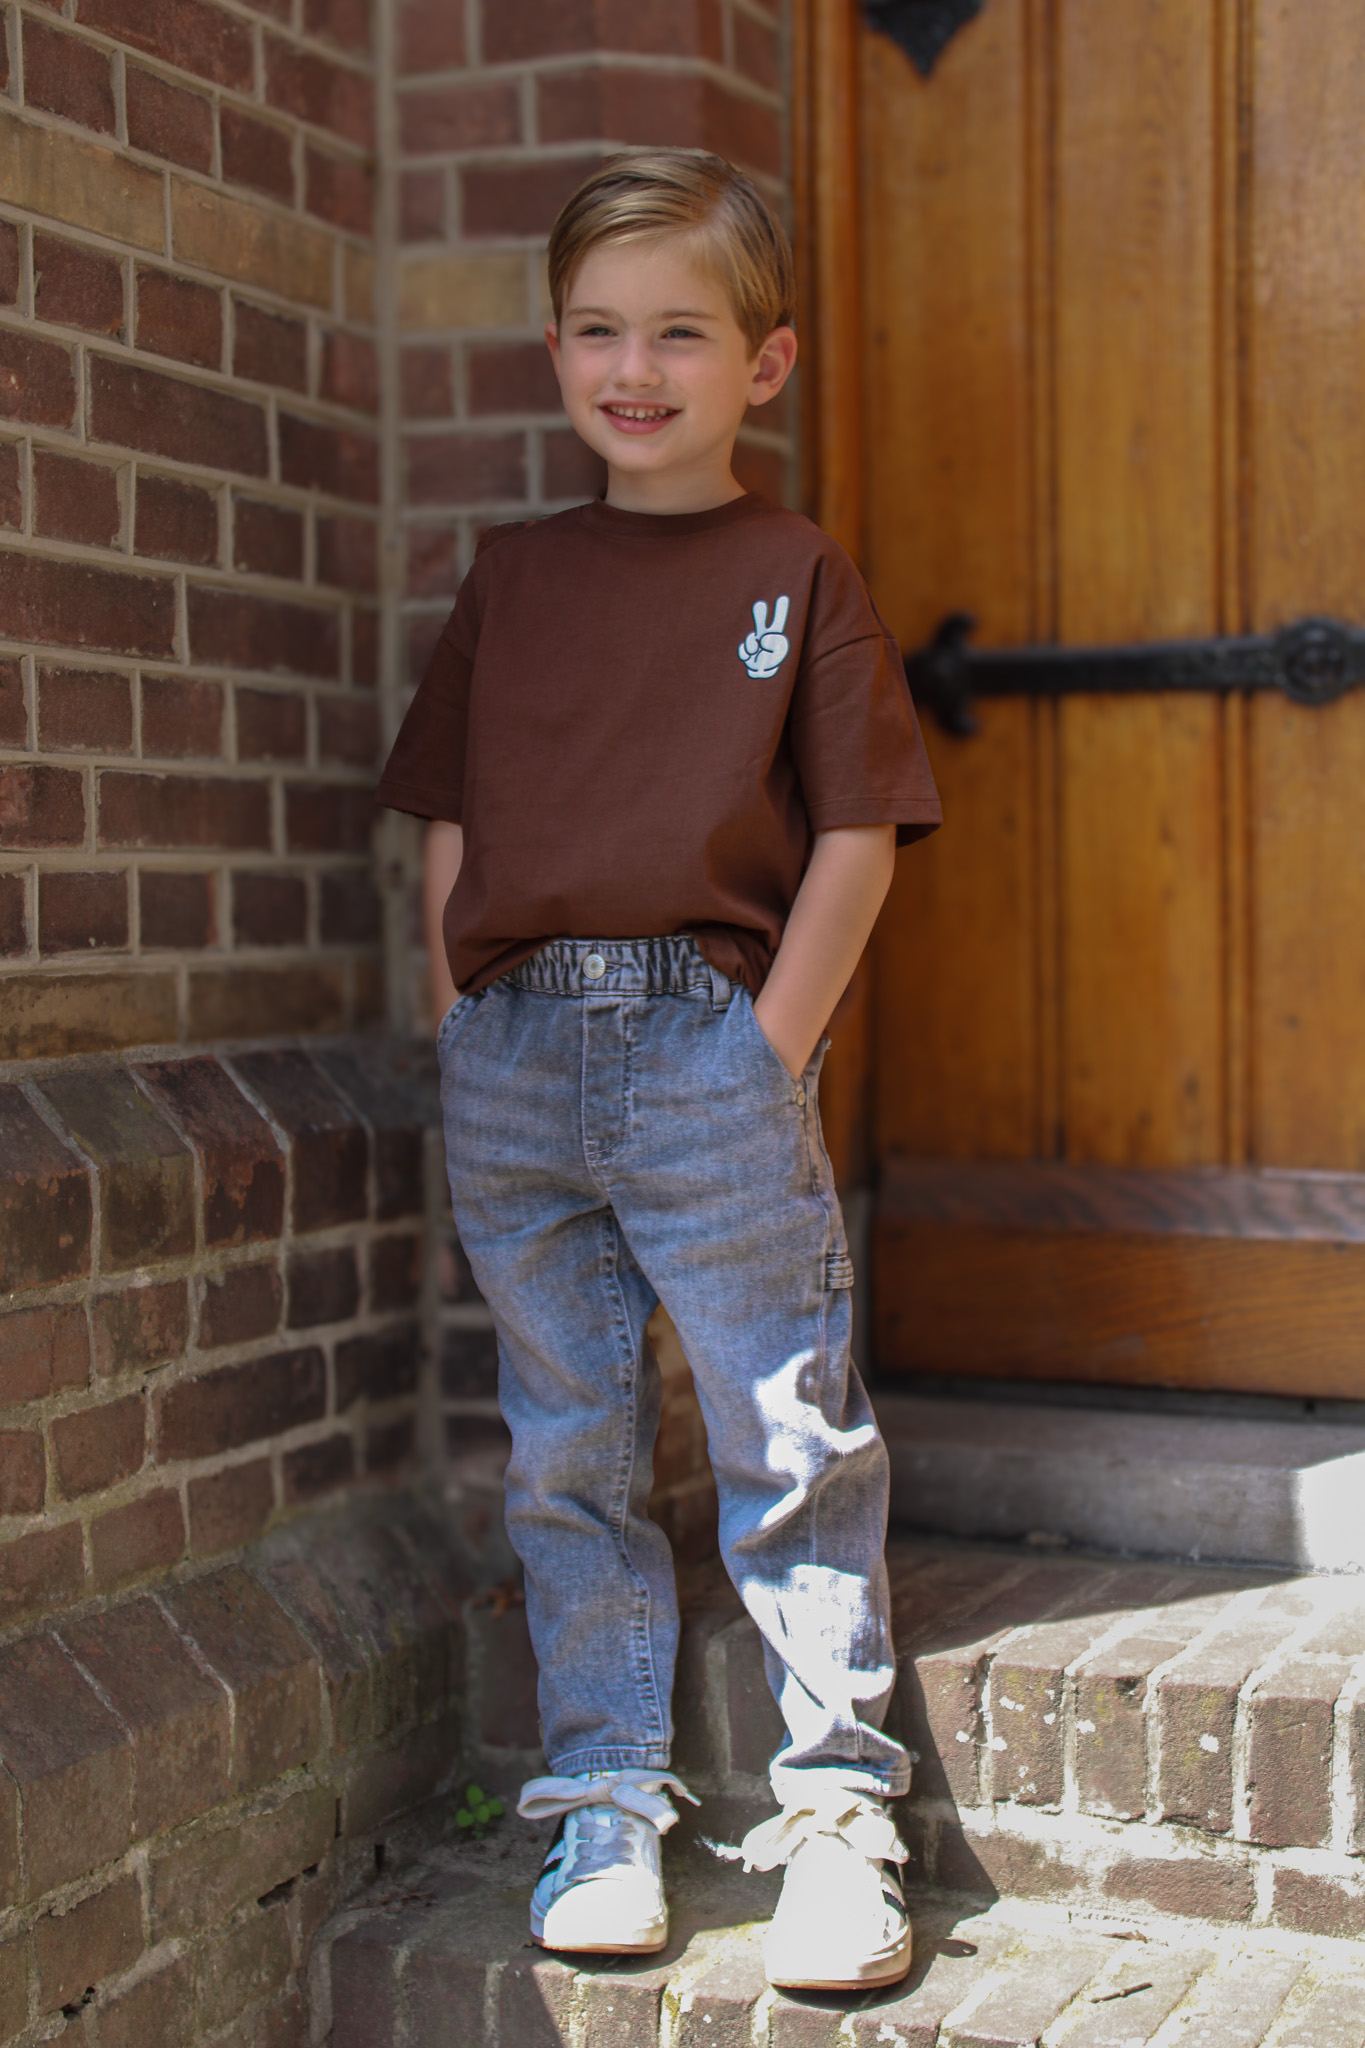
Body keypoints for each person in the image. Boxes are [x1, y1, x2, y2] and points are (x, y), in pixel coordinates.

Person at [375, 149, 941, 1993]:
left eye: (680, 333)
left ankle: (836, 1812)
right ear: (555, 351)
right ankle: (607, 1798)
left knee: (787, 1434)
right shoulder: (514, 578)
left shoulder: (797, 574)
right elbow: (449, 810)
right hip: (517, 1052)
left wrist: (770, 1049)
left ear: (761, 363)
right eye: (598, 332)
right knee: (570, 1448)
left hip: (710, 1043)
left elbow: (856, 832)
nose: (635, 367)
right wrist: (461, 1011)